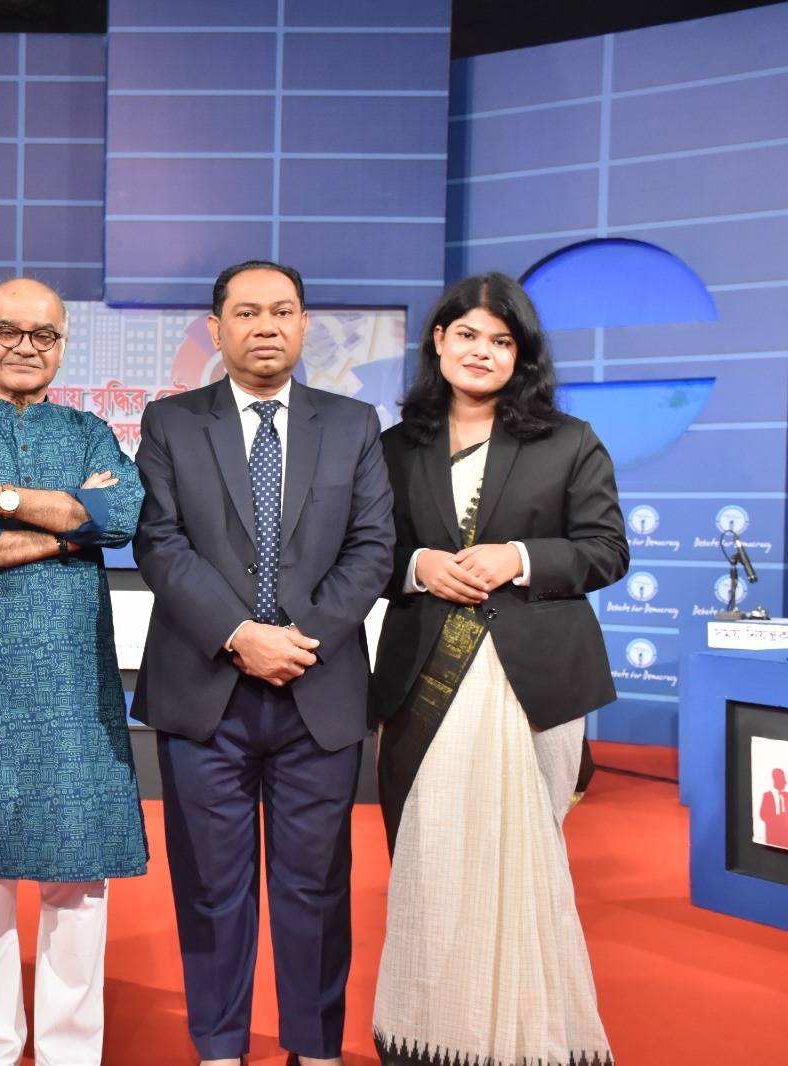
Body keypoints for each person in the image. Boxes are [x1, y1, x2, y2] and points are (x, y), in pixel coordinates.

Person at [133, 260, 393, 1066]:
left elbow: (373, 547)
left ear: (305, 324)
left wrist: (297, 639)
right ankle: (220, 1047)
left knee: (316, 886)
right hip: (206, 690)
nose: (267, 326)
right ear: (217, 329)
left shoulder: (353, 424)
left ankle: (314, 1046)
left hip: (319, 690)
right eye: (247, 313)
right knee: (211, 886)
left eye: (282, 311)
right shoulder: (171, 422)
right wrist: (240, 634)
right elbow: (160, 542)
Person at [371, 272, 626, 1066]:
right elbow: (365, 553)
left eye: (501, 340)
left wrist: (518, 557)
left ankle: (528, 1042)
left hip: (535, 681)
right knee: (434, 858)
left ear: (522, 354)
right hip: (424, 679)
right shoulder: (394, 447)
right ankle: (432, 1039)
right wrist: (418, 567)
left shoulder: (568, 440)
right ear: (439, 341)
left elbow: (606, 550)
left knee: (525, 866)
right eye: (468, 335)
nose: (482, 352)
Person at [0, 277, 147, 1066]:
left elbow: (120, 515)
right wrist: (67, 526)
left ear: (63, 346)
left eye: (43, 335)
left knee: (79, 884)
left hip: (75, 685)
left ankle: (72, 1053)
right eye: (8, 331)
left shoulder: (90, 432)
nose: (24, 347)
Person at [761, 768, 788, 847]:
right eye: (783, 779)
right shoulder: (767, 796)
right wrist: (777, 820)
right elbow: (763, 814)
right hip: (773, 838)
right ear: (776, 780)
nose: (785, 782)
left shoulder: (786, 796)